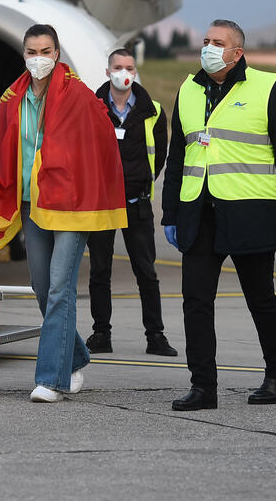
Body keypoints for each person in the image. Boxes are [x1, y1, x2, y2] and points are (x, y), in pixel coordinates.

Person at [0, 24, 127, 403]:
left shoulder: (79, 97)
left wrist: (79, 178)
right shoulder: (13, 97)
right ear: (24, 55)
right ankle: (77, 356)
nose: (39, 58)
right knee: (42, 287)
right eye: (32, 51)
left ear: (57, 54)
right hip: (32, 205)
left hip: (69, 207)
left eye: (46, 51)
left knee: (59, 288)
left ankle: (52, 379)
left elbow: (100, 142)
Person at [161, 19, 276, 411]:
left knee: (260, 298)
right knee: (195, 300)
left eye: (218, 43)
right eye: (206, 41)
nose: (208, 47)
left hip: (251, 211)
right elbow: (178, 157)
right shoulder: (189, 90)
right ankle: (203, 387)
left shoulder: (269, 89)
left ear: (237, 52)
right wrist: (170, 213)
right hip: (199, 210)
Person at [85, 49, 177, 357]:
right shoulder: (91, 108)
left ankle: (155, 335)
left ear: (135, 72)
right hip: (102, 205)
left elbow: (159, 156)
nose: (124, 72)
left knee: (146, 271)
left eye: (129, 67)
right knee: (99, 271)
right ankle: (101, 334)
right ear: (107, 71)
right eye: (118, 67)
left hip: (137, 202)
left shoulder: (153, 111)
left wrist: (141, 181)